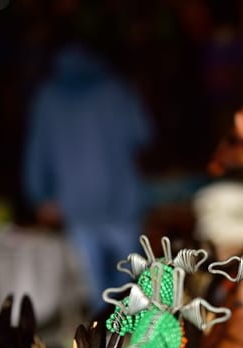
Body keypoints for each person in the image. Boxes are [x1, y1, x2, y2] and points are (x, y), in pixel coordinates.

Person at [23, 41, 153, 314]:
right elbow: (143, 135)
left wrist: (40, 196)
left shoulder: (48, 96)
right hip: (122, 204)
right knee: (133, 295)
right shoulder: (116, 89)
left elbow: (38, 151)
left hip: (76, 206)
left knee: (98, 299)